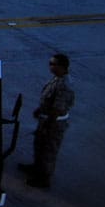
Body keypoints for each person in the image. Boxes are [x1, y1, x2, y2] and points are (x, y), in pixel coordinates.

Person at [19, 53, 75, 188]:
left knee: (48, 150)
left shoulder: (63, 85)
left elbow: (57, 110)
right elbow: (49, 100)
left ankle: (44, 179)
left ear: (62, 67)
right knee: (39, 146)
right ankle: (36, 168)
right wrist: (40, 110)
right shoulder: (57, 79)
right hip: (47, 119)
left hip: (54, 124)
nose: (50, 66)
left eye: (53, 64)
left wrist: (47, 125)